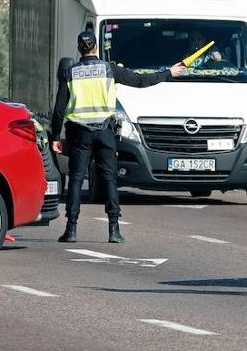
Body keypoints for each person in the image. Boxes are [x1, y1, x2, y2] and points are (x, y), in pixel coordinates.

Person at [50, 30, 186, 244]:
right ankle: (114, 230)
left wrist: (56, 135)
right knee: (110, 179)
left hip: (80, 135)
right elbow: (140, 81)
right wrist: (168, 73)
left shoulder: (70, 72)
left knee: (76, 179)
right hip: (105, 133)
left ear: (79, 49)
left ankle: (71, 230)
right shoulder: (109, 69)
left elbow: (59, 109)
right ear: (95, 47)